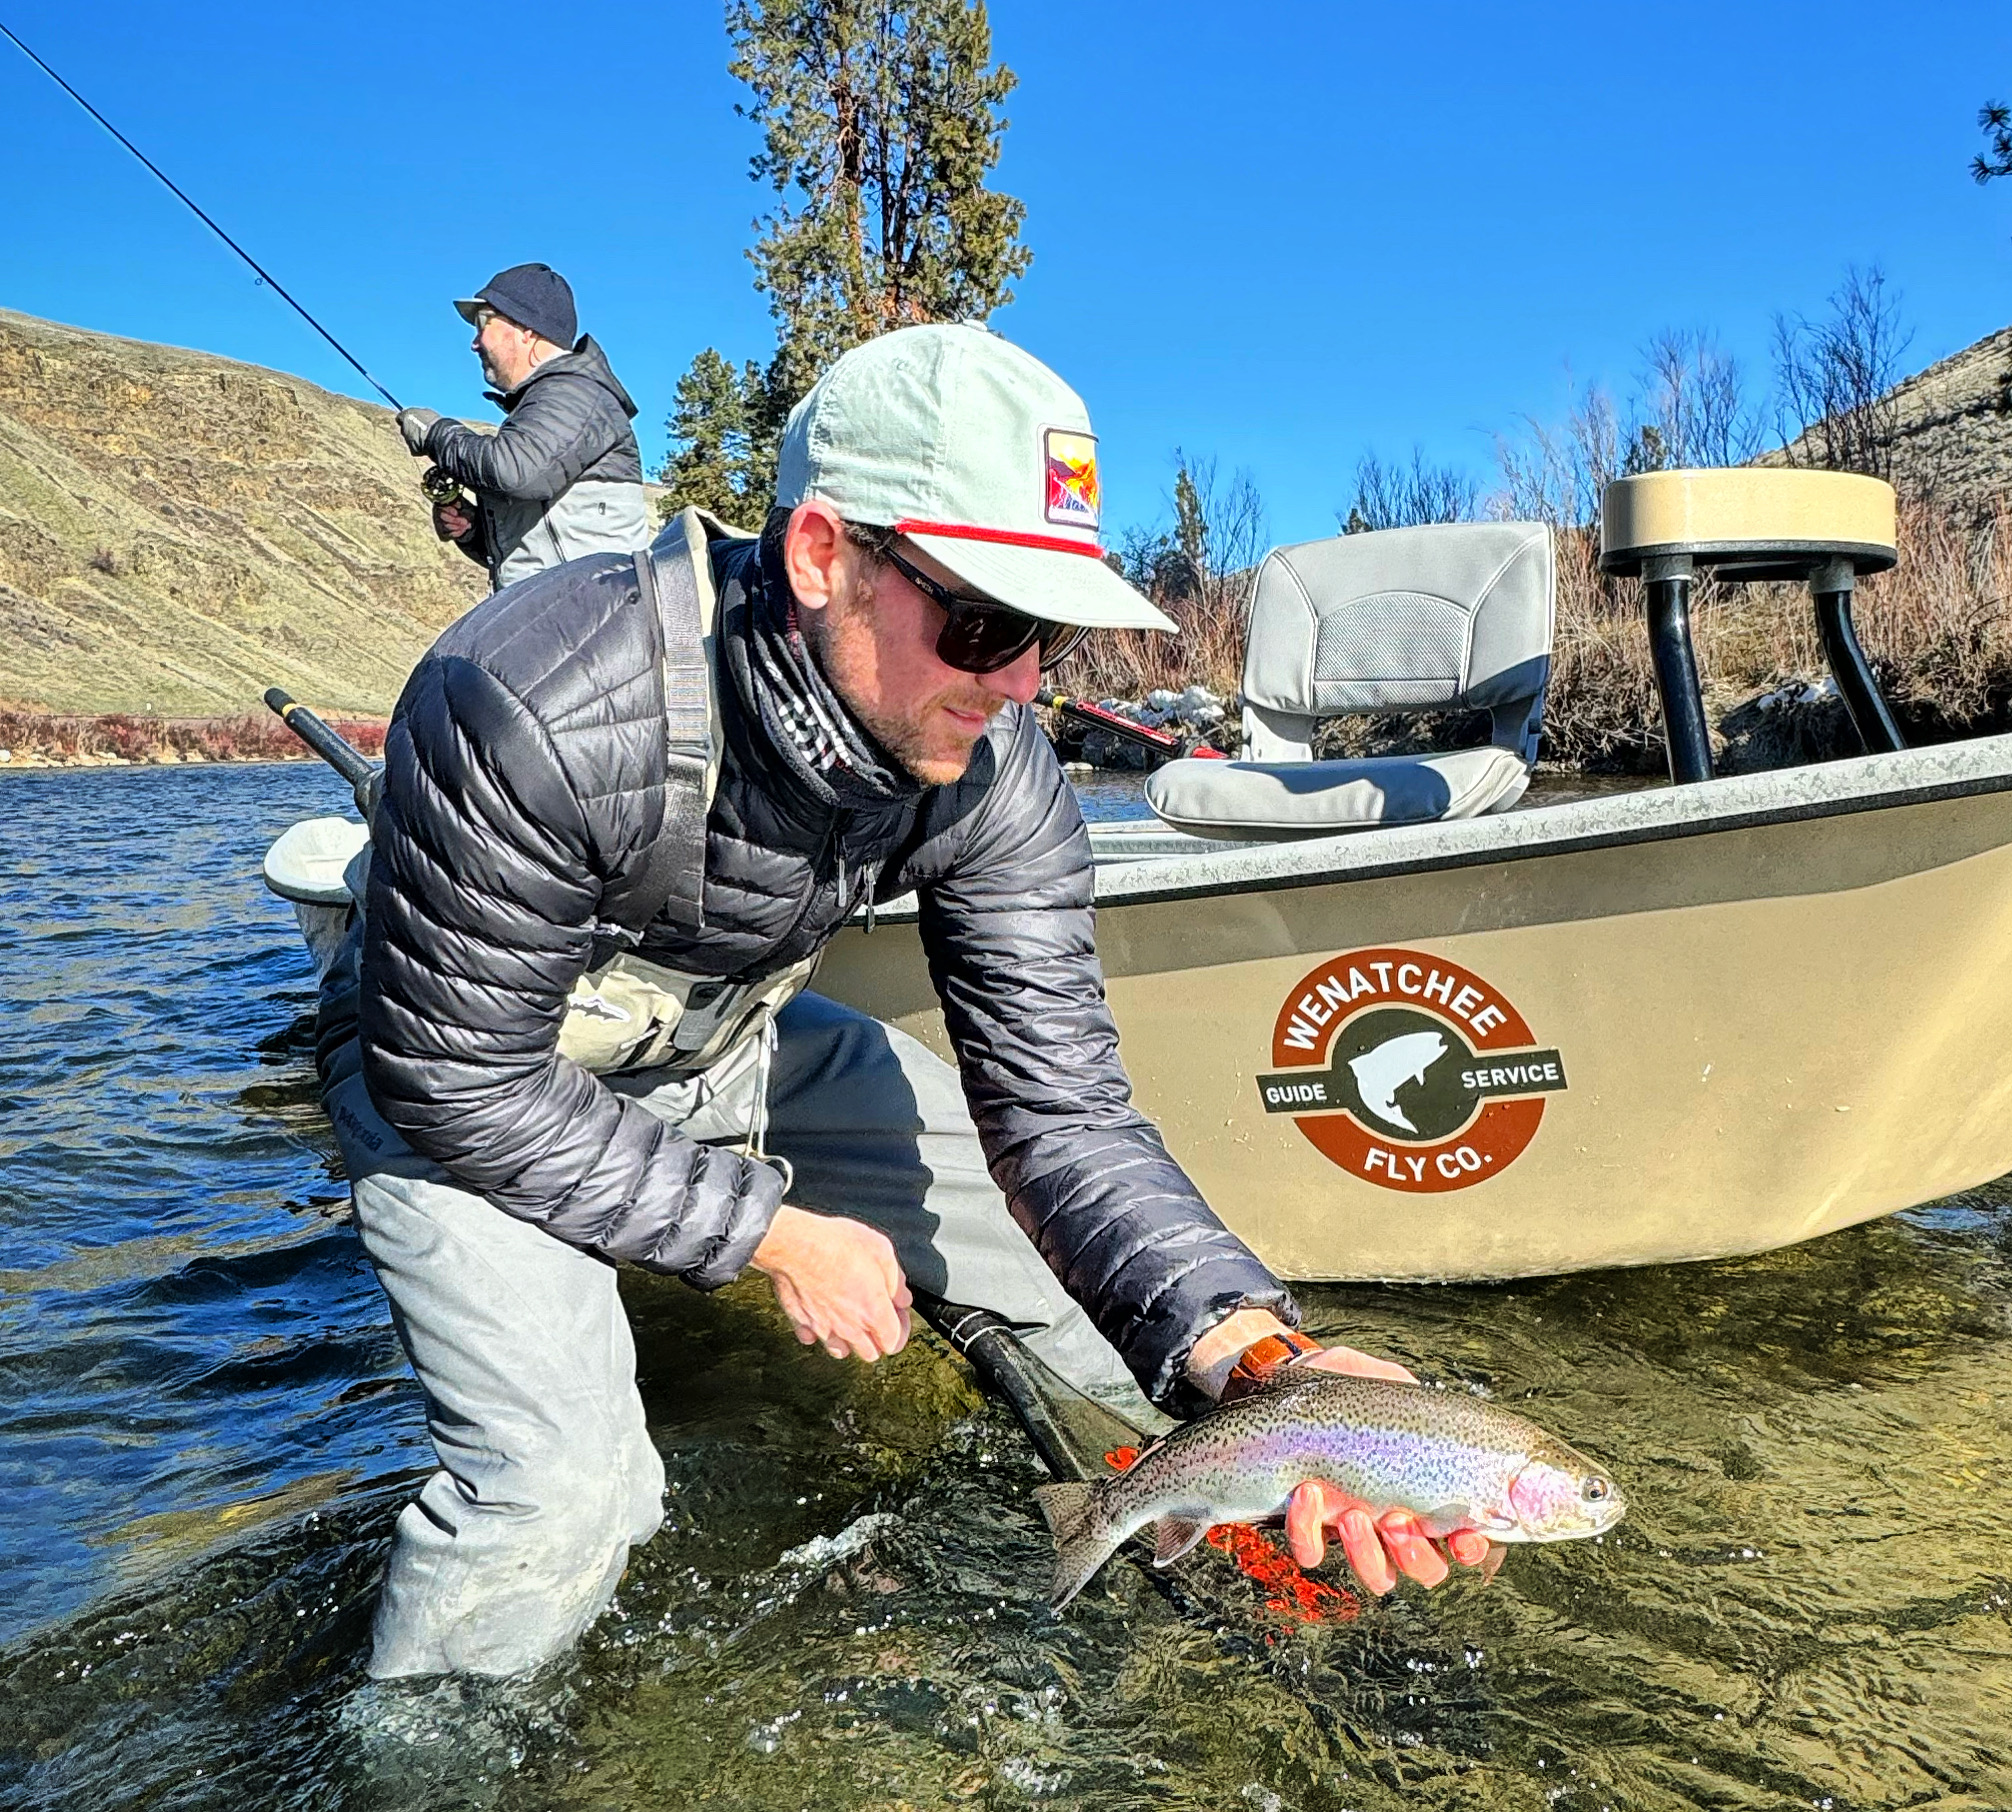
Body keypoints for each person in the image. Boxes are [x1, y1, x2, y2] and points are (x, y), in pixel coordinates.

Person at [322, 322, 1486, 1681]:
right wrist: (768, 1234)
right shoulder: (534, 701)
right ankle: (417, 1753)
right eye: (985, 622)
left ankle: (1177, 1518)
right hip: (459, 1078)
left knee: (1081, 1300)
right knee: (567, 1498)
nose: (1022, 684)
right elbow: (459, 1079)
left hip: (724, 1045)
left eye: (1045, 631)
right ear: (823, 557)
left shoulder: (994, 766)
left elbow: (1063, 1119)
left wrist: (1271, 1370)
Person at [396, 260, 648, 588]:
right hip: (563, 613)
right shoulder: (548, 406)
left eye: (484, 323)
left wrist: (436, 434)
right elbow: (539, 544)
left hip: (591, 616)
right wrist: (473, 530)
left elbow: (513, 473)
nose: (475, 343)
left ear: (527, 330)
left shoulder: (575, 393)